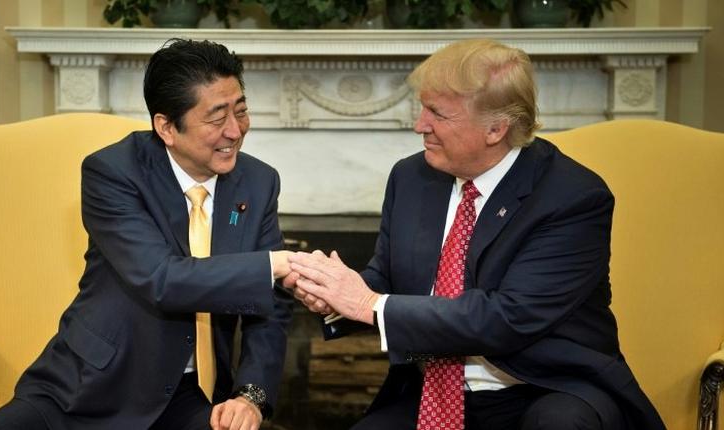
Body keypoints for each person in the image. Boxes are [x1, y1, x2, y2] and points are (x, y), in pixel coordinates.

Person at [285, 39, 666, 430]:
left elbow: (506, 318)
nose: (420, 125)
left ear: (495, 129)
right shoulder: (412, 177)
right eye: (422, 107)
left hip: (544, 386)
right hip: (432, 393)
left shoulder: (572, 198)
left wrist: (367, 303)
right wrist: (330, 294)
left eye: (437, 113)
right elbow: (385, 279)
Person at [0, 39, 293, 430]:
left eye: (241, 111)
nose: (235, 130)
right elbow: (160, 278)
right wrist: (272, 264)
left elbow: (271, 308)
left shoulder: (258, 183)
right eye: (216, 118)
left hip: (190, 394)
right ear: (166, 127)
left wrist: (251, 396)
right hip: (90, 387)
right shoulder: (113, 173)